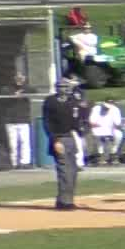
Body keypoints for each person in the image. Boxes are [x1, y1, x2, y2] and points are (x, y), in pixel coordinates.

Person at [42, 77, 84, 210]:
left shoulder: (72, 102)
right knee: (64, 171)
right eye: (61, 87)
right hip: (58, 137)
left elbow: (76, 120)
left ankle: (65, 199)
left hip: (71, 137)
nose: (64, 89)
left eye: (66, 87)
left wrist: (82, 130)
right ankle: (65, 202)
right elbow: (47, 122)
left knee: (73, 170)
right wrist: (54, 140)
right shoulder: (50, 102)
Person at [4, 73, 35, 168]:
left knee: (24, 142)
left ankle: (25, 163)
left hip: (23, 120)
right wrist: (14, 94)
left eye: (21, 78)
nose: (19, 80)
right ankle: (14, 163)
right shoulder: (8, 88)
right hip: (11, 121)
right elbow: (5, 93)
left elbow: (34, 91)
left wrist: (23, 90)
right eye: (17, 78)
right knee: (13, 144)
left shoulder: (27, 88)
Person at [87, 97, 125, 164]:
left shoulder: (115, 109)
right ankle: (100, 155)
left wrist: (117, 127)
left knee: (119, 135)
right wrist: (98, 126)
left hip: (110, 129)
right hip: (98, 128)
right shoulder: (96, 108)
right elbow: (92, 121)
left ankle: (113, 154)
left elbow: (117, 123)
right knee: (98, 136)